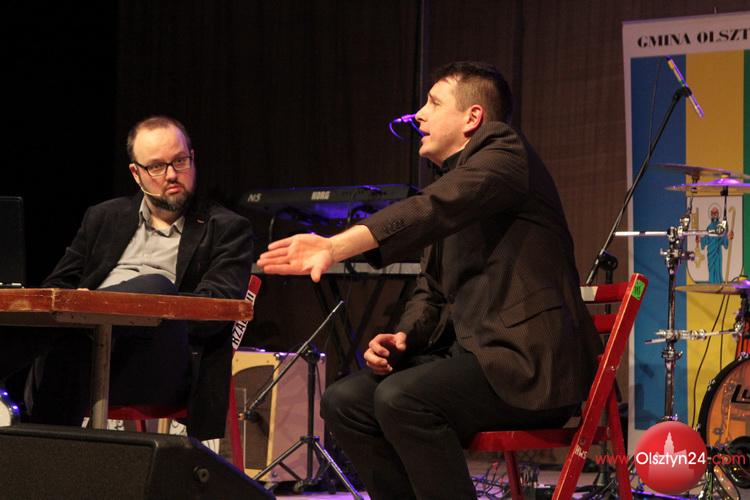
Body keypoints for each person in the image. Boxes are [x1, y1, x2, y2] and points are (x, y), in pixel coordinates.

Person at [257, 61, 601, 499]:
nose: (418, 114)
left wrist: (335, 246)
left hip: (528, 365)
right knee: (344, 403)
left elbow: (431, 208)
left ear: (472, 117)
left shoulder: (505, 153)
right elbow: (431, 290)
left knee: (402, 398)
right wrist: (403, 336)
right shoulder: (454, 182)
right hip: (473, 360)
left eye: (434, 103)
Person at [0, 116, 253, 440]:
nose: (172, 175)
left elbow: (214, 312)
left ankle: (89, 322)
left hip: (161, 363)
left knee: (156, 285)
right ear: (136, 173)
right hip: (85, 351)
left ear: (193, 157)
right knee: (68, 347)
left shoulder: (227, 227)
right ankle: (43, 462)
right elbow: (58, 287)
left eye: (180, 161)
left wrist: (110, 308)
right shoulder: (104, 217)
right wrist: (91, 316)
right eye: (157, 166)